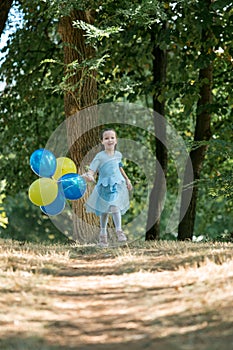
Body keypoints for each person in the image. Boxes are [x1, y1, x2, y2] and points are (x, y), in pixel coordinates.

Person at [82, 129, 133, 247]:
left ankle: (119, 231)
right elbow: (92, 168)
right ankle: (103, 235)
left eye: (112, 138)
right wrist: (89, 174)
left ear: (116, 140)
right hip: (104, 186)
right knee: (104, 211)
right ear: (102, 142)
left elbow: (120, 167)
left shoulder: (118, 155)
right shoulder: (100, 156)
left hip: (116, 185)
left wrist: (127, 179)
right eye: (106, 138)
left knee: (115, 207)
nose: (109, 140)